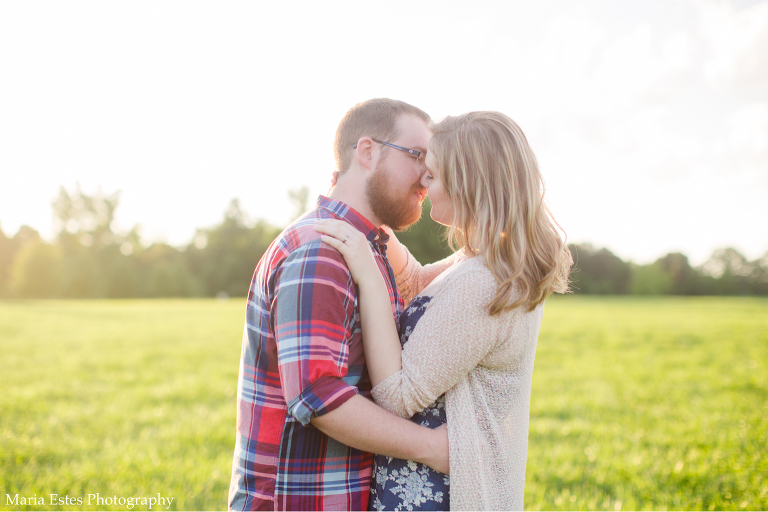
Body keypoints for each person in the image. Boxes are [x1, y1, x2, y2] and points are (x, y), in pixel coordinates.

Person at [315, 111, 572, 510]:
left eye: (431, 173)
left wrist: (368, 274)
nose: (422, 181)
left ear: (467, 183)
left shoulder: (485, 282)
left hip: (441, 497)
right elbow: (419, 283)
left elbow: (396, 396)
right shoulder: (481, 262)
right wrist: (361, 208)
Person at [228, 98, 450, 511]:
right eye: (417, 155)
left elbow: (426, 282)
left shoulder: (366, 246)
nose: (427, 174)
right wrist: (434, 447)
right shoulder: (321, 251)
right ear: (367, 151)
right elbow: (317, 394)